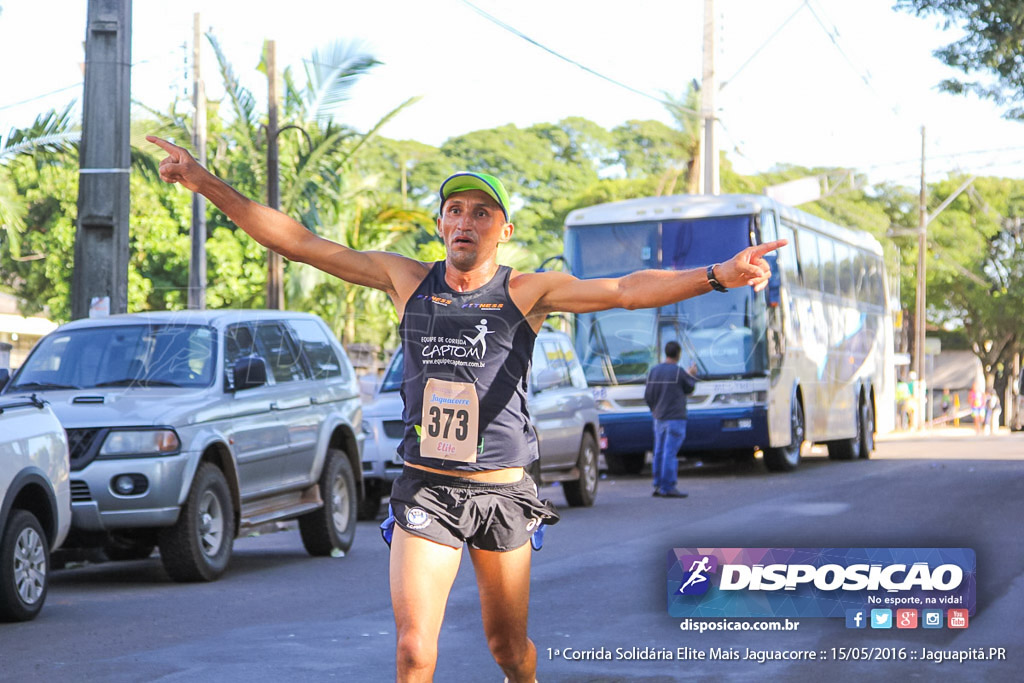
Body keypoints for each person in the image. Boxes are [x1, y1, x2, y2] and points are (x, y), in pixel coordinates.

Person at [147, 135, 784, 683]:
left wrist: (718, 275)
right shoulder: (405, 281)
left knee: (508, 651)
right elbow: (300, 242)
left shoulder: (529, 291)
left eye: (482, 213)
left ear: (502, 231)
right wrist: (203, 181)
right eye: (455, 210)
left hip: (502, 492)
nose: (465, 221)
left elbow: (623, 290)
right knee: (412, 651)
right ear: (440, 225)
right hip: (427, 488)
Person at [643, 341, 697, 498]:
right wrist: (691, 374)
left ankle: (658, 484)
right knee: (670, 452)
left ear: (666, 353)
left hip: (658, 417)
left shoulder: (654, 371)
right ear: (678, 354)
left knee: (659, 451)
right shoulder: (679, 372)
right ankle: (668, 486)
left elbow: (648, 395)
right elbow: (689, 387)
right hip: (675, 418)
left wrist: (654, 410)